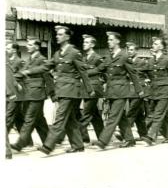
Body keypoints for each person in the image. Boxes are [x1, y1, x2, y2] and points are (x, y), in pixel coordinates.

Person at [38, 26, 95, 154]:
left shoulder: (74, 53)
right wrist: (28, 72)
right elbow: (46, 67)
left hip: (71, 90)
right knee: (70, 120)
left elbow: (83, 72)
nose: (57, 36)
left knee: (60, 117)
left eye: (60, 34)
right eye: (57, 34)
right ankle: (78, 145)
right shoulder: (57, 54)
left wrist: (90, 89)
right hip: (62, 90)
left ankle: (48, 145)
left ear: (67, 37)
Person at [88, 31, 144, 149]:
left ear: (118, 41)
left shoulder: (124, 56)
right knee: (121, 117)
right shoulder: (109, 57)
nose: (109, 42)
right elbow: (99, 69)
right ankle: (129, 139)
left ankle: (103, 141)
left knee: (113, 117)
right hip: (111, 91)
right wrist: (83, 73)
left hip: (121, 91)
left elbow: (133, 74)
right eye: (108, 40)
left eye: (111, 40)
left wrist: (139, 90)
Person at [140, 37, 168, 145]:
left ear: (161, 46)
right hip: (154, 90)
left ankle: (151, 136)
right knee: (162, 116)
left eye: (155, 44)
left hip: (164, 90)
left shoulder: (167, 59)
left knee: (158, 114)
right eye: (153, 44)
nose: (153, 46)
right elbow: (143, 72)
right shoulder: (151, 60)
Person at [10, 37, 51, 152]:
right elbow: (21, 74)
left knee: (29, 118)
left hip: (37, 93)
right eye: (28, 44)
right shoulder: (28, 60)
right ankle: (49, 142)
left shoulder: (41, 59)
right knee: (39, 119)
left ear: (37, 47)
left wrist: (52, 93)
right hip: (29, 93)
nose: (28, 46)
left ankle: (21, 143)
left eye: (30, 44)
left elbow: (47, 77)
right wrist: (11, 78)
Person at [115, 42, 149, 141]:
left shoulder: (141, 62)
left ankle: (124, 133)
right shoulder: (127, 61)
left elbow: (147, 74)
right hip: (130, 91)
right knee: (138, 114)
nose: (129, 52)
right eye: (128, 50)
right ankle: (143, 134)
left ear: (136, 51)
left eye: (131, 50)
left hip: (139, 91)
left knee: (131, 112)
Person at [79, 34, 104, 143]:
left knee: (85, 114)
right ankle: (103, 138)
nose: (84, 44)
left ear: (92, 44)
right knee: (95, 116)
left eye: (87, 42)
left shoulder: (97, 58)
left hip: (94, 89)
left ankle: (79, 137)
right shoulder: (84, 58)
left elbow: (102, 70)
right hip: (86, 89)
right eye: (84, 42)